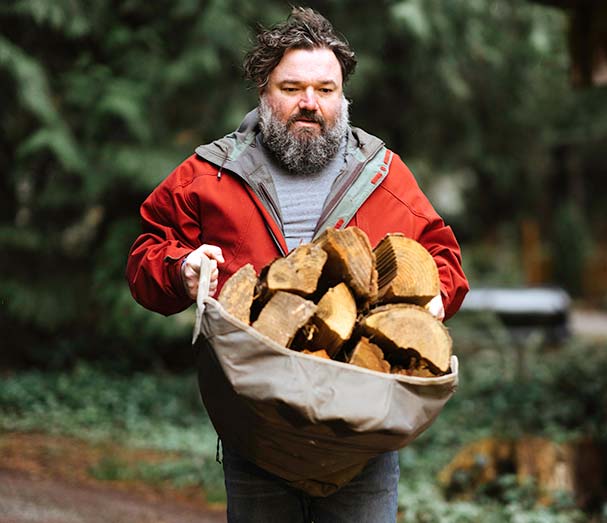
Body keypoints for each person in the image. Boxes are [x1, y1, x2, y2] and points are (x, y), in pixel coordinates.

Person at [126, 7, 468, 523]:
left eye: (325, 90)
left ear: (343, 98)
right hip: (256, 433)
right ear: (265, 93)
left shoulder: (384, 175)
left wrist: (433, 296)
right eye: (292, 88)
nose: (310, 103)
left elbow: (444, 258)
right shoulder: (210, 174)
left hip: (361, 439)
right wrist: (181, 269)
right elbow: (145, 256)